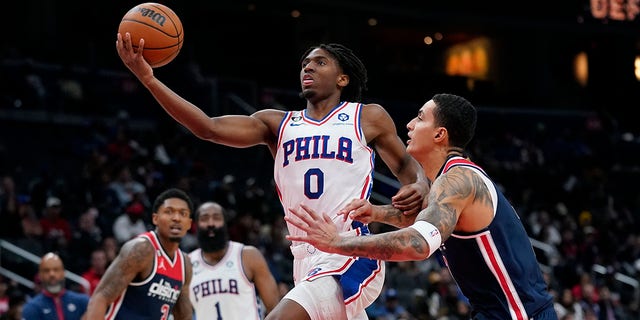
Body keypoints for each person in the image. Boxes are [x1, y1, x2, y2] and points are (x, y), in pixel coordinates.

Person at [116, 35, 428, 320]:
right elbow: (207, 128)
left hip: (350, 250)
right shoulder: (277, 124)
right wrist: (148, 79)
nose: (308, 67)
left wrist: (418, 183)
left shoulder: (367, 116)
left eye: (320, 62)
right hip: (303, 259)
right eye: (305, 63)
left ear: (342, 78)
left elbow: (407, 167)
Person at [286, 93, 559, 319]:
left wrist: (336, 244)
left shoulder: (457, 181)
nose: (409, 124)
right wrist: (376, 213)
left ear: (440, 134)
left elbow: (417, 244)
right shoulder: (446, 181)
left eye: (419, 117)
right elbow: (423, 219)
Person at [84, 188, 194, 320]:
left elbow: (184, 316)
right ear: (155, 219)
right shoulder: (141, 249)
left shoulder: (185, 264)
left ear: (189, 223)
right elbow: (100, 298)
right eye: (169, 212)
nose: (176, 218)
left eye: (183, 214)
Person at [189, 201, 280, 319]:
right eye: (204, 218)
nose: (211, 223)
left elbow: (274, 307)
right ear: (196, 224)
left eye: (216, 218)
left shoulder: (248, 255)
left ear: (225, 223)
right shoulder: (188, 263)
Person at [21, 252, 90, 320]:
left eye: (56, 269)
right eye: (46, 270)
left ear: (63, 273)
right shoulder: (32, 307)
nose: (52, 274)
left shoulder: (83, 302)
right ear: (40, 275)